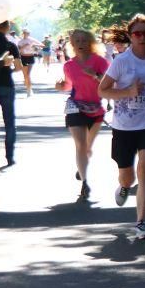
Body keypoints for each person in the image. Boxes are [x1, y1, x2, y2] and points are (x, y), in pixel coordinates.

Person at [97, 14, 145, 240]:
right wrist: (128, 92)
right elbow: (102, 90)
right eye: (137, 34)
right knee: (128, 178)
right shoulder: (121, 61)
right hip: (124, 126)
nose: (142, 37)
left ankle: (141, 222)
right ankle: (123, 186)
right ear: (131, 37)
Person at [63, 29, 109, 201]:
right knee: (81, 146)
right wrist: (60, 85)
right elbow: (68, 85)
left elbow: (109, 83)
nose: (81, 44)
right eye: (77, 41)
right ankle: (85, 182)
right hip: (75, 106)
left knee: (87, 148)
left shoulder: (100, 61)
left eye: (84, 40)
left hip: (95, 108)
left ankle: (81, 167)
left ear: (90, 43)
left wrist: (95, 75)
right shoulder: (69, 65)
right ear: (72, 45)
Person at [0, 20, 23, 168]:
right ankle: (10, 156)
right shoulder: (11, 45)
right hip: (6, 84)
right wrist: (9, 70)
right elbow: (19, 67)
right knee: (9, 122)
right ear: (7, 27)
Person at [17, 29, 42, 95]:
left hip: (30, 57)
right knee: (25, 75)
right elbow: (18, 50)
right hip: (23, 57)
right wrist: (24, 46)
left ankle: (29, 90)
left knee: (28, 74)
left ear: (29, 34)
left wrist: (35, 46)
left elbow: (42, 45)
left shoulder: (32, 40)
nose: (26, 34)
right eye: (24, 33)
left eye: (27, 33)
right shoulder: (20, 41)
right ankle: (28, 88)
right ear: (23, 34)